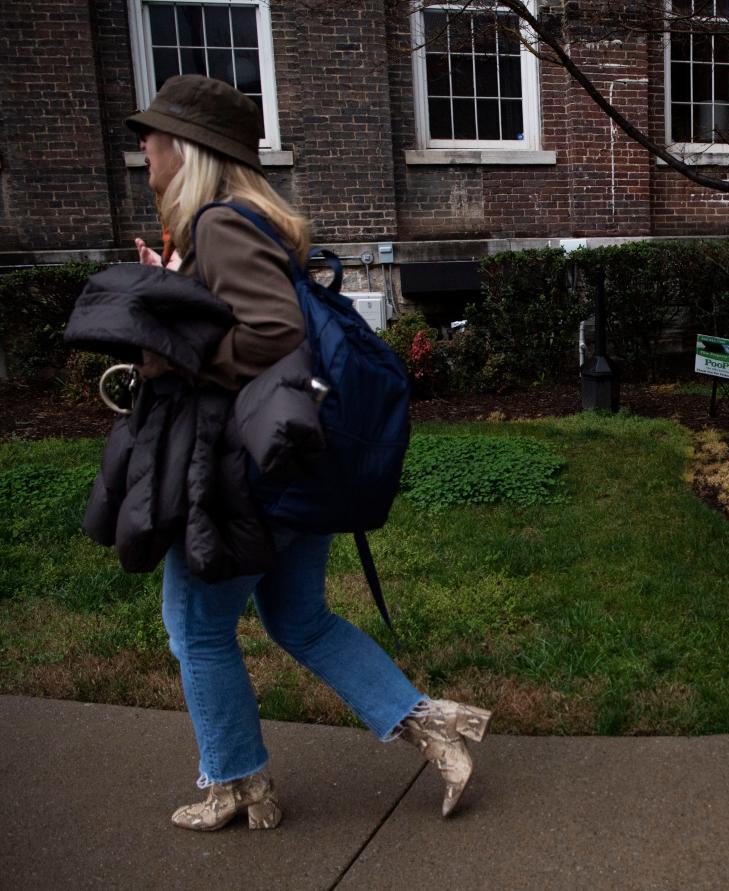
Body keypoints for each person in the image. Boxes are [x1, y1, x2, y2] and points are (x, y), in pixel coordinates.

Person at [124, 75, 491, 830]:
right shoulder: (243, 223)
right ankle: (437, 728)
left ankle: (239, 785)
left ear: (189, 149)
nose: (144, 146)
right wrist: (175, 288)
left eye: (153, 134)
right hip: (295, 459)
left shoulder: (222, 225)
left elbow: (273, 335)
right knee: (299, 617)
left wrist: (173, 349)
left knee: (195, 624)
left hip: (250, 472)